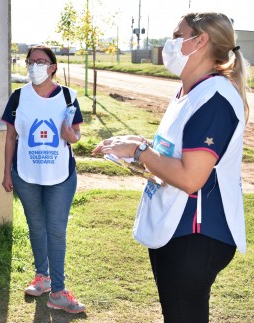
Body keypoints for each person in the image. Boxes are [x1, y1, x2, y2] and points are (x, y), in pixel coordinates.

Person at [93, 12, 250, 322]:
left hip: (196, 235)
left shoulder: (214, 98)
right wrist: (136, 148)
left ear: (200, 41)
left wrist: (140, 151)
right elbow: (171, 154)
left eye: (178, 36)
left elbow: (191, 178)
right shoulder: (188, 92)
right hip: (174, 227)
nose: (170, 44)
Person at [1, 45, 86, 314]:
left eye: (41, 61)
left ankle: (58, 292)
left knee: (56, 231)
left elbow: (76, 136)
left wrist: (68, 134)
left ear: (53, 67)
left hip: (60, 175)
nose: (34, 66)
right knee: (36, 227)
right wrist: (6, 172)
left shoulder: (68, 96)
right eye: (30, 61)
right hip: (26, 174)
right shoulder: (18, 97)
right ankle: (43, 278)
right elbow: (11, 137)